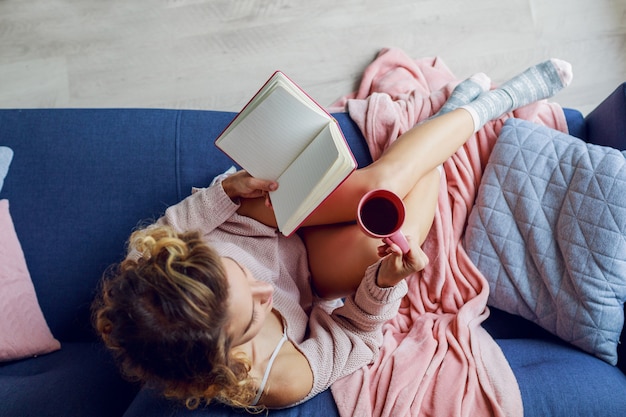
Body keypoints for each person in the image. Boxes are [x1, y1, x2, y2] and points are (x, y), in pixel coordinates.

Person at [92, 59, 572, 411]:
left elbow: (179, 220)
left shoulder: (150, 264)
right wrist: (383, 283)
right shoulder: (279, 379)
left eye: (233, 273)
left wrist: (226, 192)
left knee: (377, 186)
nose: (265, 291)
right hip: (312, 276)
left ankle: (491, 105)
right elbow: (357, 335)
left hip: (259, 220)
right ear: (229, 357)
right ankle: (448, 118)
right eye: (255, 312)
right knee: (395, 220)